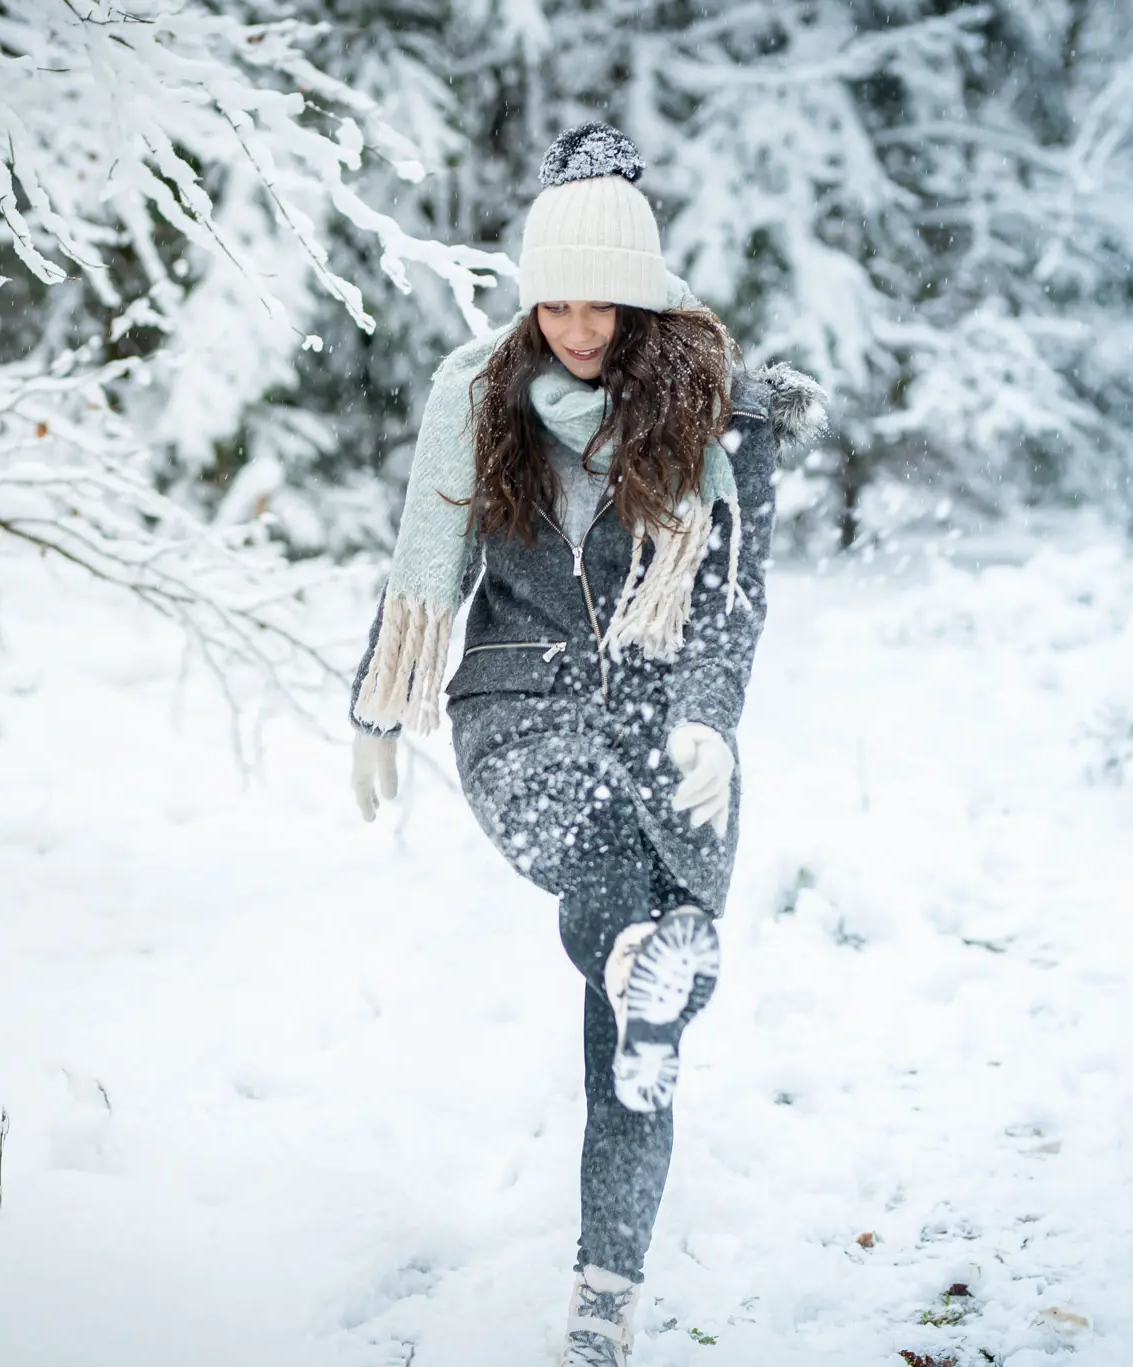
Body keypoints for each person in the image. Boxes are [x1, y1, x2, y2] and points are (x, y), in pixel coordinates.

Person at [346, 122, 826, 1367]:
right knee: (606, 880)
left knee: (647, 1022)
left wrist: (709, 717)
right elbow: (432, 569)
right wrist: (377, 702)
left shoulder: (723, 416)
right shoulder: (481, 399)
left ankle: (602, 1296)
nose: (569, 325)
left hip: (666, 720)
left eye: (594, 302)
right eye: (549, 299)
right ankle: (628, 951)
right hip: (519, 701)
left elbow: (729, 592)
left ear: (641, 295)